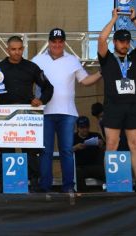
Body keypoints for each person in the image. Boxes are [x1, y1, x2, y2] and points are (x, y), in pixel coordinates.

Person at [32, 28, 101, 193]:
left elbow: (85, 80)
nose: (57, 44)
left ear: (64, 42)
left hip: (67, 113)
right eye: (54, 41)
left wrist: (101, 71)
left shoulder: (73, 60)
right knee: (45, 151)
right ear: (49, 42)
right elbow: (27, 82)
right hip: (45, 111)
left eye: (60, 41)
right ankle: (45, 187)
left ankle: (69, 186)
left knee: (67, 151)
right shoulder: (37, 60)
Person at [0, 36, 54, 192]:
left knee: (30, 152)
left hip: (27, 116)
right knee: (6, 152)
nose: (17, 52)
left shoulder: (32, 67)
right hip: (6, 117)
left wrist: (41, 99)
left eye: (19, 49)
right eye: (13, 49)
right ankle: (6, 186)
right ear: (7, 50)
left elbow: (48, 87)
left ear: (23, 49)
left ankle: (35, 186)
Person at [98, 8, 136, 188]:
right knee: (112, 144)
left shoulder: (134, 57)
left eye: (127, 41)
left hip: (133, 106)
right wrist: (114, 19)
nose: (124, 44)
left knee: (135, 145)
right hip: (113, 107)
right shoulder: (107, 59)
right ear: (115, 42)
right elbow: (101, 39)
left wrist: (135, 19)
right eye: (121, 41)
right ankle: (112, 183)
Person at [73, 116, 105, 192]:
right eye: (82, 127)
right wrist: (76, 147)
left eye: (86, 127)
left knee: (107, 172)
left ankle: (110, 191)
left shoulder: (96, 136)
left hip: (96, 166)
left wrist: (101, 145)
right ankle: (84, 195)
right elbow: (66, 151)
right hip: (81, 167)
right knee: (77, 173)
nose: (85, 130)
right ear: (78, 128)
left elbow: (106, 149)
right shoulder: (73, 138)